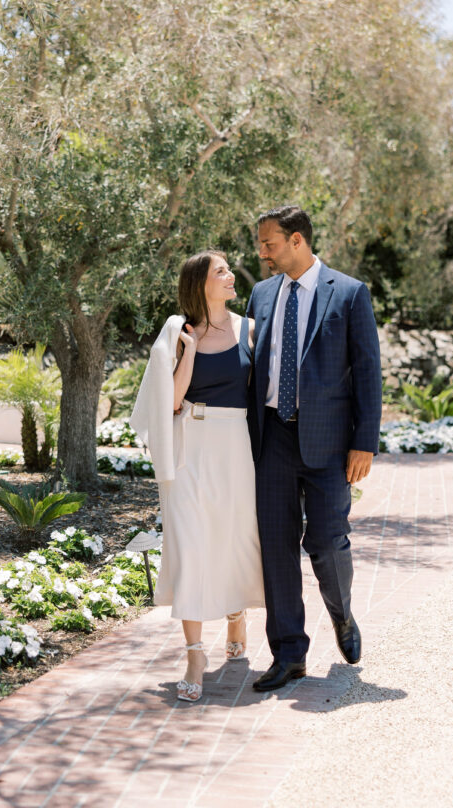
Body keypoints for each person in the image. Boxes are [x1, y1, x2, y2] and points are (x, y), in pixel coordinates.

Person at [246, 206, 382, 692]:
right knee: (277, 550)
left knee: (326, 541)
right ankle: (289, 654)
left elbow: (368, 370)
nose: (261, 252)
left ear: (297, 240)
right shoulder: (261, 295)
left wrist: (364, 441)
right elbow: (251, 366)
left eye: (269, 243)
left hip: (329, 443)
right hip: (273, 439)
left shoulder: (348, 293)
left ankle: (342, 616)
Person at [131, 250, 264, 703]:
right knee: (189, 544)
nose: (230, 276)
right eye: (221, 271)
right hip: (189, 444)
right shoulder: (177, 329)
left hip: (235, 447)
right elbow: (170, 401)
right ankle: (193, 654)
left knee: (232, 537)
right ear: (200, 284)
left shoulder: (249, 328)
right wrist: (188, 351)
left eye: (229, 270)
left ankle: (235, 615)